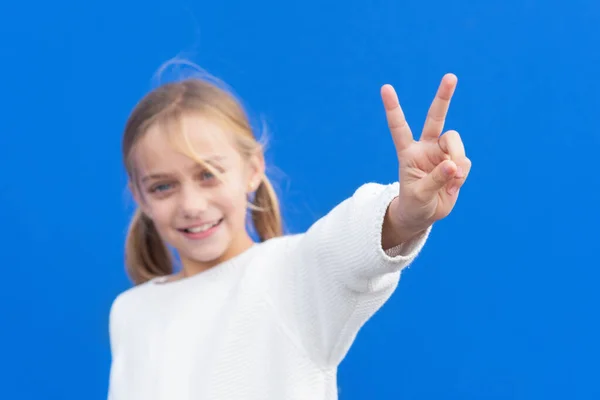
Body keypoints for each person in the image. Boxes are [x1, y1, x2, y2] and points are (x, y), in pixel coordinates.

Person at [107, 68, 471, 400]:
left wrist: (405, 214)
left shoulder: (289, 275)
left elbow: (349, 244)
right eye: (162, 187)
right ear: (139, 195)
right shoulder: (129, 312)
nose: (191, 204)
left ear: (253, 169)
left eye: (207, 174)